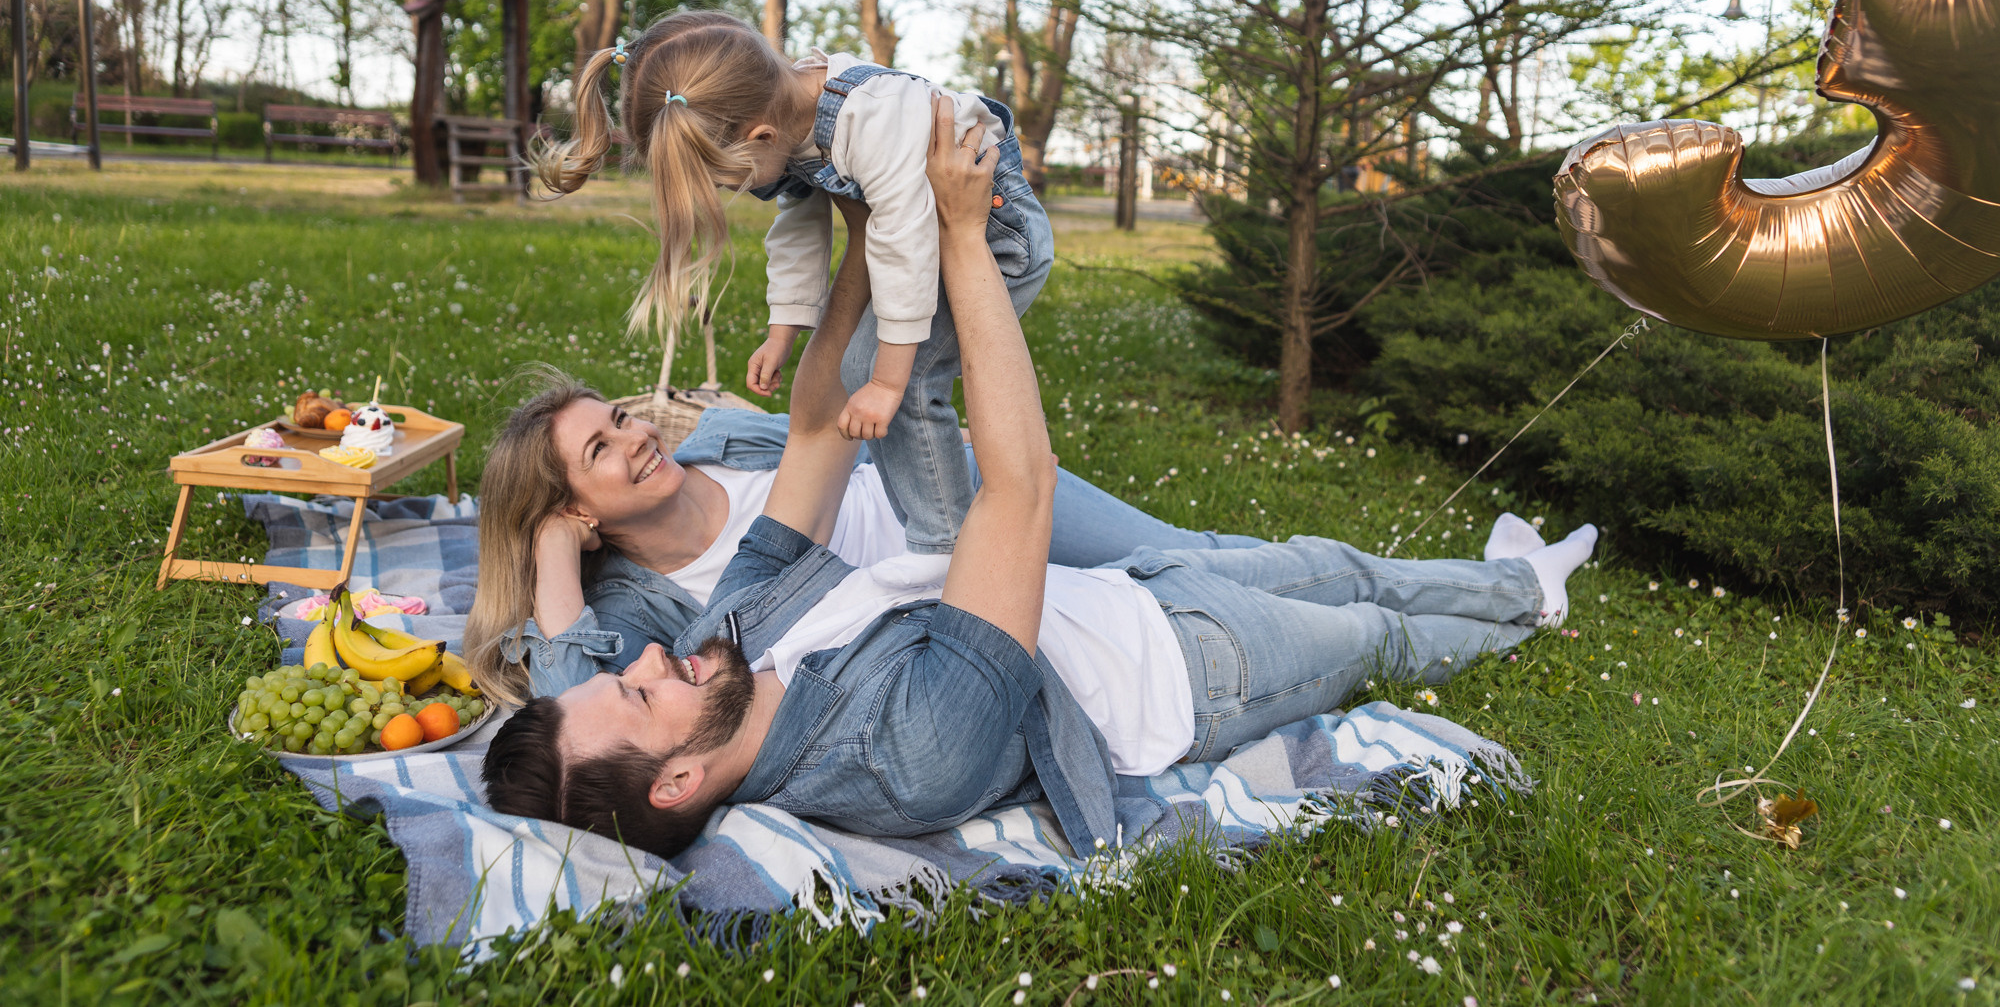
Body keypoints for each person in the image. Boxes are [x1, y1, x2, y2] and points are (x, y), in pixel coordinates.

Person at [482, 113, 1597, 860]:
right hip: (1185, 669)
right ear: (674, 784)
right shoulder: (896, 753)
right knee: (1365, 632)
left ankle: (1506, 575)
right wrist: (963, 243)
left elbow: (816, 429)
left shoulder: (732, 652)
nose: (641, 658)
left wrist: (867, 226)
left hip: (1126, 592)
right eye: (634, 696)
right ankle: (1527, 602)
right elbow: (1017, 488)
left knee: (1332, 563)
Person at [463, 194, 1264, 706]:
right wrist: (552, 550)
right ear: (575, 509)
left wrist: (859, 239)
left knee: (1190, 557)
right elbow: (574, 708)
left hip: (967, 495)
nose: (639, 433)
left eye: (619, 416)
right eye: (600, 447)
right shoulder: (644, 609)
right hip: (954, 603)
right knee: (1171, 602)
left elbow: (831, 414)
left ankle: (1388, 587)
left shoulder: (720, 436)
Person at [529, 9, 1054, 564]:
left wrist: (887, 382)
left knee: (900, 385)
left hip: (999, 239)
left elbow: (901, 245)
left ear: (761, 136)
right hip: (927, 244)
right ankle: (946, 525)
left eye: (727, 179)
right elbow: (800, 224)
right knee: (864, 373)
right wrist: (783, 331)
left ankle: (945, 549)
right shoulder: (791, 114)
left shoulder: (871, 120)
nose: (734, 190)